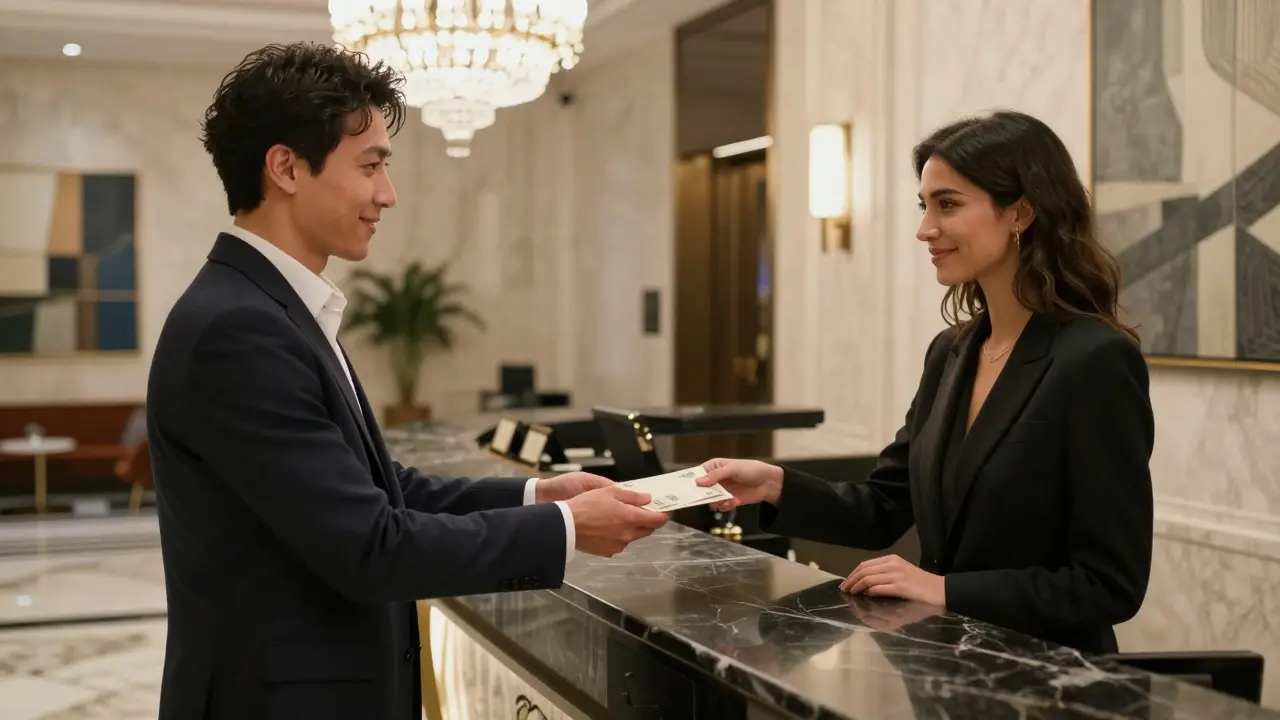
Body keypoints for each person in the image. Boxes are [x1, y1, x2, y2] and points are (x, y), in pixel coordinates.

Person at [146, 42, 668, 720]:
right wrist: (566, 527)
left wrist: (537, 492)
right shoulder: (237, 331)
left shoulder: (272, 308)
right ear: (285, 167)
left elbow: (378, 489)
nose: (387, 195)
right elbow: (372, 547)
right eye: (371, 166)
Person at [697, 109, 1155, 655]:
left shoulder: (1096, 359)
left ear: (1021, 213)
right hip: (942, 670)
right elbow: (885, 506)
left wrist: (945, 589)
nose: (924, 229)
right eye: (925, 206)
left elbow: (1109, 585)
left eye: (948, 205)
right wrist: (775, 484)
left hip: (1044, 688)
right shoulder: (951, 352)